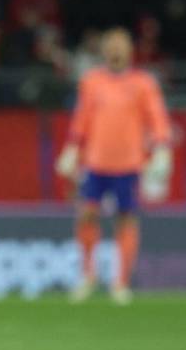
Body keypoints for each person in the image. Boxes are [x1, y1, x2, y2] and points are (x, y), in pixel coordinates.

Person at [55, 27, 171, 304]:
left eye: (121, 46)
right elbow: (82, 118)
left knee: (126, 218)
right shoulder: (92, 81)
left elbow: (156, 117)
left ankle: (121, 283)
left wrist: (162, 147)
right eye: (112, 46)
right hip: (96, 162)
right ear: (104, 51)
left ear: (130, 51)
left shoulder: (143, 83)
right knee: (86, 215)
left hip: (128, 163)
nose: (116, 51)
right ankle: (88, 276)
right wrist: (72, 147)